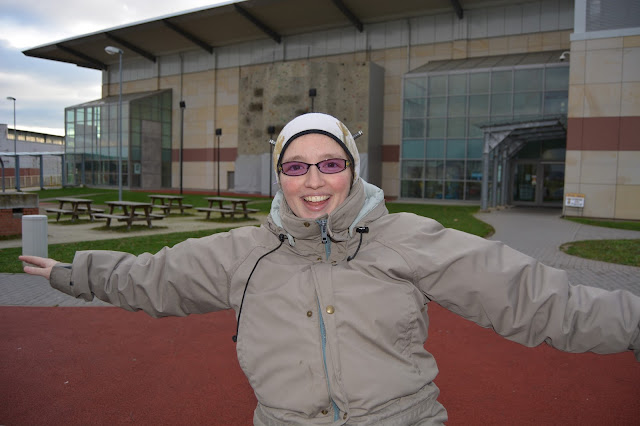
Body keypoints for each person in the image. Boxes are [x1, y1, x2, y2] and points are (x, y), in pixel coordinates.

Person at [20, 112, 640, 425]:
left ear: (352, 169)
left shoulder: (408, 239)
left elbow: (533, 298)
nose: (313, 181)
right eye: (296, 167)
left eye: (330, 163)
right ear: (280, 177)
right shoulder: (243, 252)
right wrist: (71, 273)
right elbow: (152, 278)